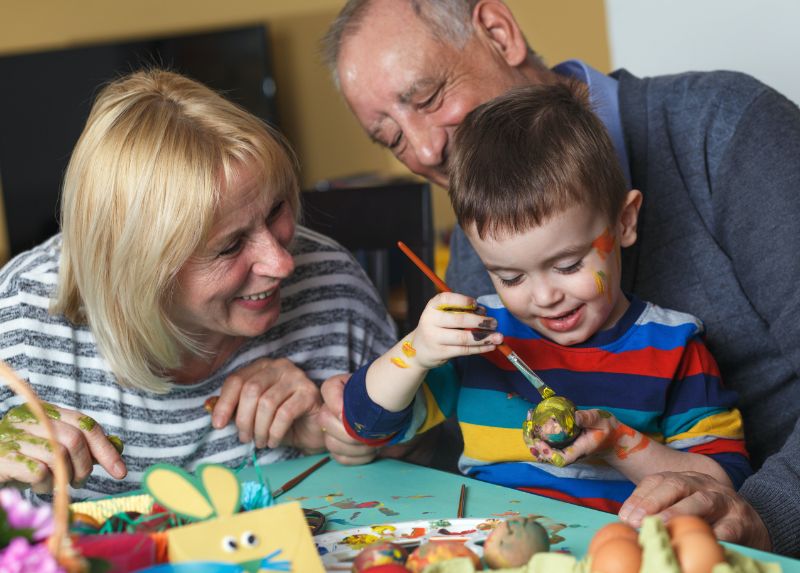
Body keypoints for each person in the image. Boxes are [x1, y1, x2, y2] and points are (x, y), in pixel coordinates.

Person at [321, 0, 800, 554]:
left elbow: (717, 481)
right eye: (391, 139)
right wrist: (368, 414)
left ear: (499, 33)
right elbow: (456, 433)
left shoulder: (724, 126)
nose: (427, 150)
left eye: (428, 99)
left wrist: (764, 519)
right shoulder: (484, 270)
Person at [339, 83, 751, 514]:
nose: (545, 296)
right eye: (510, 276)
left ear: (625, 222)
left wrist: (615, 441)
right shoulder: (480, 338)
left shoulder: (674, 349)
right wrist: (416, 351)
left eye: (569, 265)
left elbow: (723, 486)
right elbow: (367, 426)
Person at [0, 69, 395, 500]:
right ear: (139, 269)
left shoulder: (330, 280)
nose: (282, 263)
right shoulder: (19, 318)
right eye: (229, 246)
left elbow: (425, 456)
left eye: (276, 209)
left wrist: (350, 432)